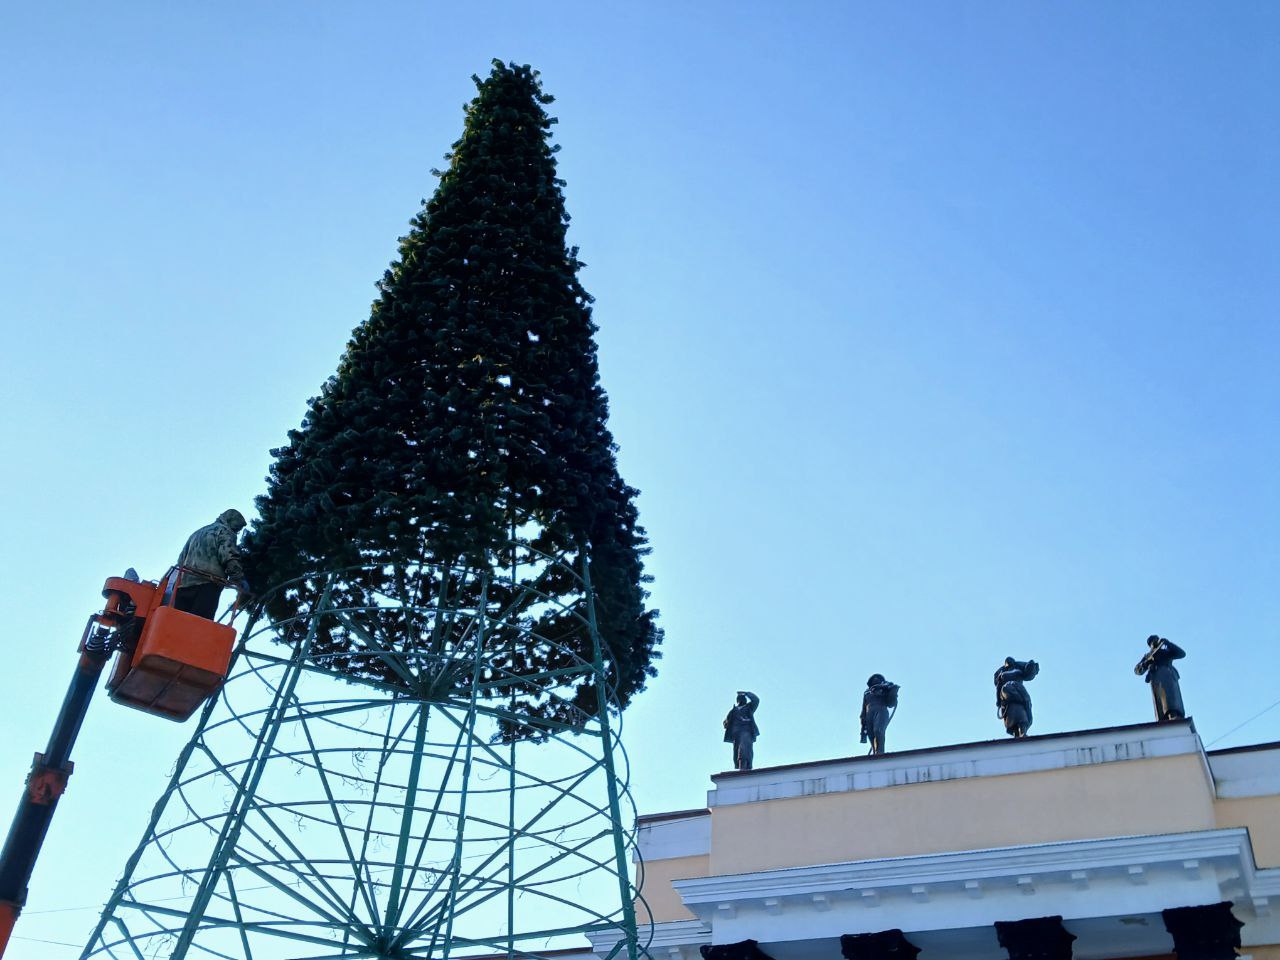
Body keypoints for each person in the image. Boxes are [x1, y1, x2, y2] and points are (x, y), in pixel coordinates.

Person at [174, 509, 251, 619]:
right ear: (230, 520)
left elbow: (180, 561)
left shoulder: (197, 533)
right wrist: (239, 578)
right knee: (199, 625)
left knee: (177, 623)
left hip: (183, 586)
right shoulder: (225, 531)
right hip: (208, 585)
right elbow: (228, 555)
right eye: (237, 528)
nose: (237, 531)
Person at [1134, 635, 1187, 721]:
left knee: (1171, 697)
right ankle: (1163, 719)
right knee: (1160, 701)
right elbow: (1137, 670)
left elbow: (1181, 654)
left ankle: (1173, 714)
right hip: (1156, 679)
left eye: (1157, 639)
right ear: (1150, 644)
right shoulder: (1148, 655)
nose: (1156, 641)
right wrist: (1146, 663)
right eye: (1154, 640)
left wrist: (1169, 644)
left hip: (1168, 675)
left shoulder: (1165, 652)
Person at [994, 656, 1038, 738]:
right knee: (1012, 713)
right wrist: (998, 701)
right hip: (1006, 693)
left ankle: (1023, 730)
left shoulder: (1018, 670)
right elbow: (998, 688)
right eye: (1007, 661)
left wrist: (1031, 666)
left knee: (1023, 708)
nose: (1009, 662)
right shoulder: (1002, 674)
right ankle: (1016, 733)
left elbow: (1028, 674)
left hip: (1019, 689)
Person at [860, 674, 899, 755]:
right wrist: (863, 719)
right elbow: (864, 707)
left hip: (881, 710)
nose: (876, 679)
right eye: (874, 678)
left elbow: (891, 702)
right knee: (871, 734)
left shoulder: (885, 687)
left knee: (878, 730)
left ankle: (880, 752)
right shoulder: (867, 692)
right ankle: (875, 752)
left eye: (878, 678)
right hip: (869, 713)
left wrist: (893, 690)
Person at [723, 690, 760, 771]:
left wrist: (747, 693)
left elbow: (756, 700)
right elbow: (725, 722)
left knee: (744, 749)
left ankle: (745, 768)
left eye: (743, 698)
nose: (742, 699)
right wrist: (727, 723)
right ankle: (741, 768)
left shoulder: (749, 707)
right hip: (736, 734)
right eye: (740, 698)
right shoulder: (733, 710)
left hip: (746, 732)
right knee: (737, 752)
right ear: (737, 700)